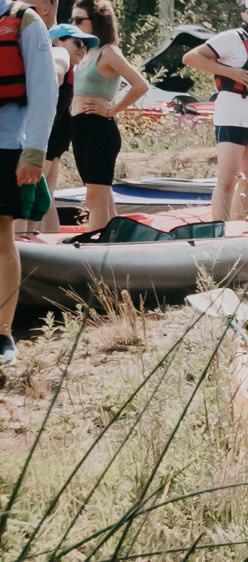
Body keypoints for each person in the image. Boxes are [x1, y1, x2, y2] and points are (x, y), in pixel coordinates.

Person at [0, 0, 55, 365]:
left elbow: (44, 89)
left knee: (1, 233)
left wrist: (34, 152)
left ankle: (2, 332)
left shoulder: (24, 20)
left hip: (6, 144)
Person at [183, 2, 248, 223]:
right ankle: (220, 229)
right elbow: (191, 57)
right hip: (233, 115)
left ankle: (238, 227)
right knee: (227, 180)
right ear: (244, 15)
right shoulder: (232, 38)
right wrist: (231, 73)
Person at [62, 0, 142, 232]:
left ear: (96, 21)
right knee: (102, 198)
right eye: (72, 20)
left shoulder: (108, 52)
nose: (73, 24)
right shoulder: (84, 52)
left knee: (94, 199)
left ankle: (94, 246)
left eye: (79, 20)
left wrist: (112, 109)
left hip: (99, 128)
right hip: (79, 128)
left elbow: (140, 85)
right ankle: (115, 240)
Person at [25, 0, 63, 233]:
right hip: (39, 137)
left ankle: (29, 242)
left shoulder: (55, 49)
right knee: (44, 200)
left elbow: (55, 76)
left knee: (33, 202)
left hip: (39, 138)